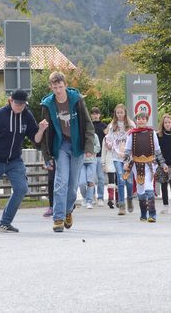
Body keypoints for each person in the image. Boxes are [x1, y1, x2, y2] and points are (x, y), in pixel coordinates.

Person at [0, 89, 49, 233]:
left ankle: (5, 223)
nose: (20, 106)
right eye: (17, 103)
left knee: (21, 189)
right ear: (10, 101)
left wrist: (42, 129)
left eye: (23, 104)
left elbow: (36, 139)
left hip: (14, 161)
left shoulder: (27, 116)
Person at [39, 71, 97, 233]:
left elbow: (88, 124)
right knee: (61, 181)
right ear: (51, 87)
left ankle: (68, 211)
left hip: (77, 145)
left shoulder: (77, 100)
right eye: (55, 87)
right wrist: (47, 156)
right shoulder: (47, 105)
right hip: (61, 145)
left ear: (65, 85)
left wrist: (89, 148)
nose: (58, 90)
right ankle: (58, 218)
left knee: (72, 186)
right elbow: (45, 133)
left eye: (60, 86)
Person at [124, 111, 168, 222]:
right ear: (136, 121)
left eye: (143, 119)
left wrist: (163, 163)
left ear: (147, 120)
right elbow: (127, 151)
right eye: (139, 119)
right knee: (140, 188)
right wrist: (125, 162)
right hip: (136, 165)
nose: (141, 121)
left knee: (148, 186)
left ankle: (152, 214)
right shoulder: (131, 134)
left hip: (150, 164)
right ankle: (143, 213)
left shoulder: (152, 133)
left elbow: (157, 150)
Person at [104, 103, 135, 216]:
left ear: (125, 113)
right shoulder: (112, 125)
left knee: (129, 181)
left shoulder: (131, 124)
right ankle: (122, 205)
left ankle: (130, 198)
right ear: (115, 114)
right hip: (116, 156)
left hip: (128, 157)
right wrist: (108, 145)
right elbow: (108, 139)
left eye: (121, 112)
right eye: (118, 113)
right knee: (121, 180)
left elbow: (135, 138)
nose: (120, 115)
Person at [91, 107, 108, 207]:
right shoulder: (89, 125)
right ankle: (92, 196)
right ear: (91, 115)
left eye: (97, 113)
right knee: (91, 178)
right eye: (93, 114)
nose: (95, 115)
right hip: (91, 156)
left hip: (101, 155)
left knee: (101, 178)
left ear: (99, 115)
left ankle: (100, 197)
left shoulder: (104, 126)